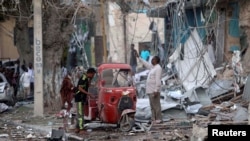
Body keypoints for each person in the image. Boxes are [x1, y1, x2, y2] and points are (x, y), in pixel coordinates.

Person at [136, 53, 162, 124]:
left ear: (156, 60)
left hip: (154, 90)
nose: (151, 60)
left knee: (156, 105)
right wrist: (139, 58)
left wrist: (156, 90)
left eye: (153, 59)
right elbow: (146, 64)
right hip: (150, 90)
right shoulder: (153, 67)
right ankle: (153, 118)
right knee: (152, 106)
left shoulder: (158, 68)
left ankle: (158, 118)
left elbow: (158, 80)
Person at [74, 68, 96, 134]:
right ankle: (81, 129)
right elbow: (80, 88)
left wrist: (91, 79)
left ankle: (77, 128)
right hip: (79, 98)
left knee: (80, 114)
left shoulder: (86, 78)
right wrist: (88, 94)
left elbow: (88, 85)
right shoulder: (83, 78)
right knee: (80, 114)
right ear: (90, 73)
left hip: (82, 98)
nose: (93, 76)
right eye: (93, 75)